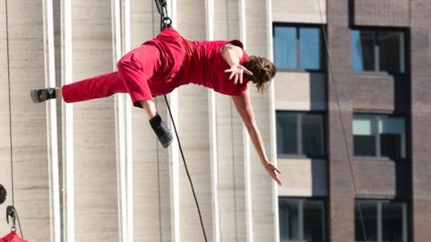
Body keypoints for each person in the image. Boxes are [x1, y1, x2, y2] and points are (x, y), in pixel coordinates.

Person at [30, 26, 282, 184]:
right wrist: (264, 161)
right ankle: (55, 93)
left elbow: (230, 50)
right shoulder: (239, 87)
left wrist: (235, 63)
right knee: (111, 84)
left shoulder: (239, 56)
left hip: (174, 53)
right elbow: (252, 127)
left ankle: (154, 117)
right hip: (170, 81)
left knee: (128, 65)